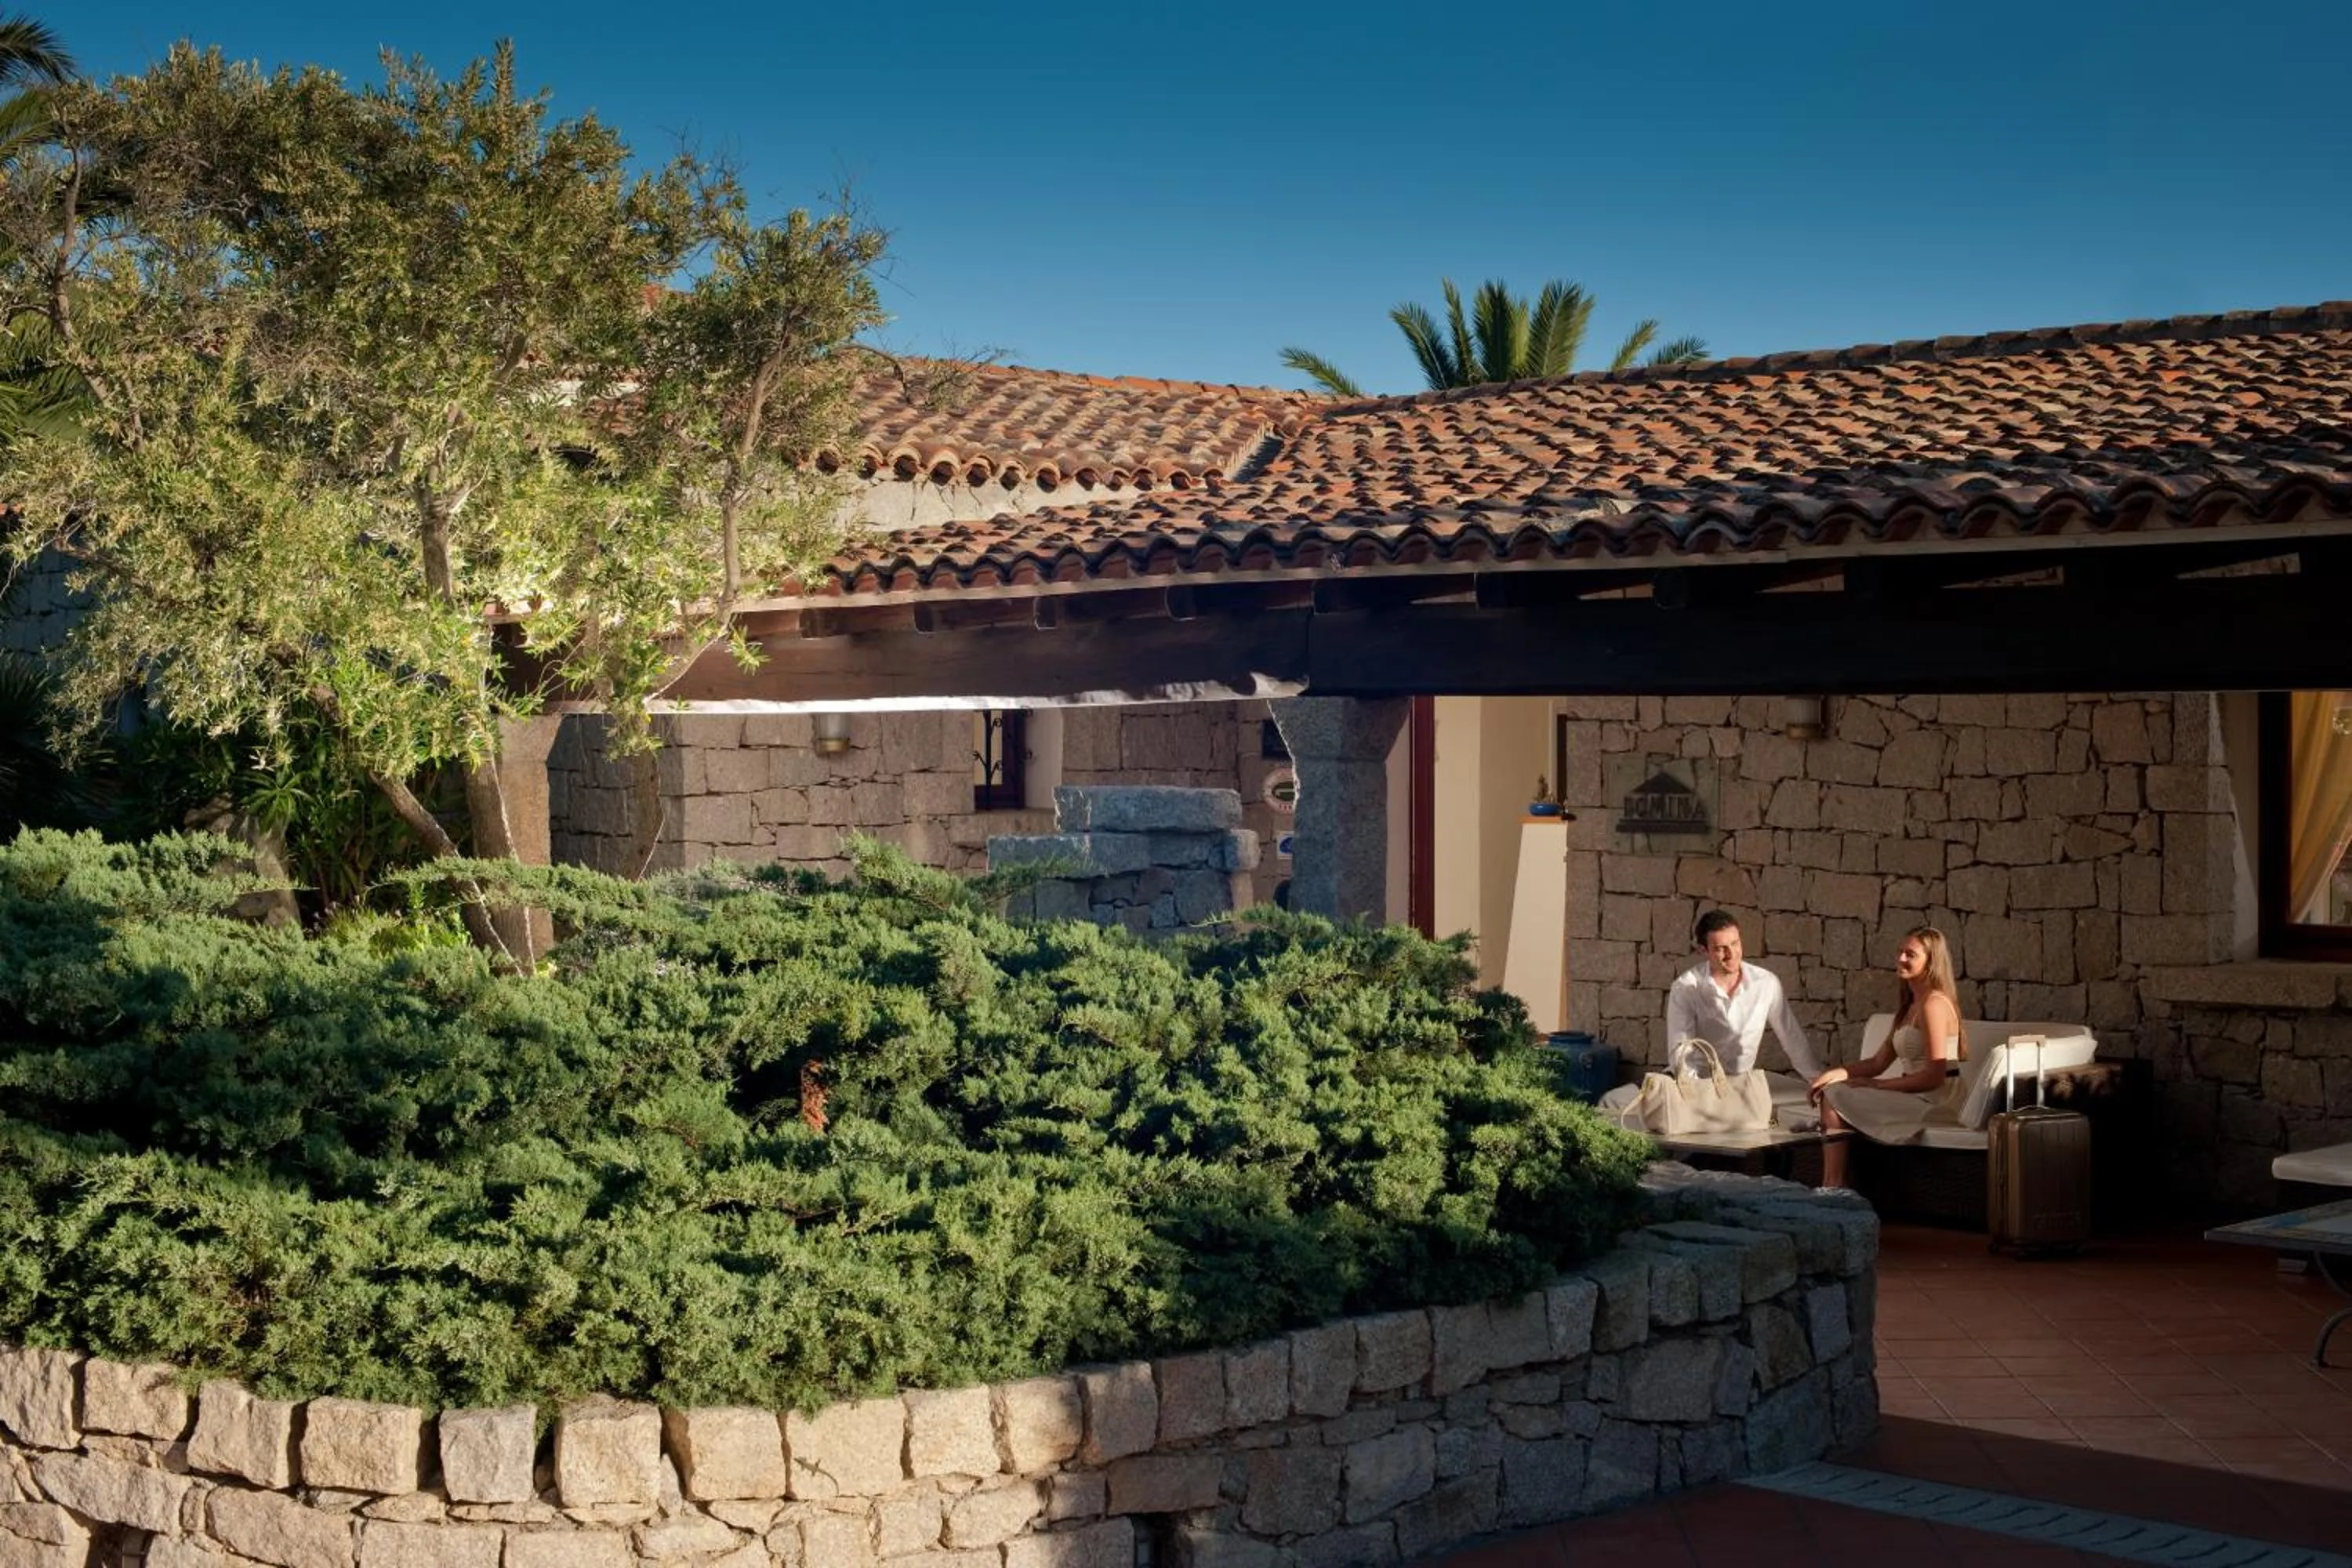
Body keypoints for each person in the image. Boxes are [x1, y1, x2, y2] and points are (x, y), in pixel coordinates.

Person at [1809, 926, 1968, 1188]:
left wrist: (1878, 1085)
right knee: (1833, 1089)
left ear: (1931, 963)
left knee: (1835, 1096)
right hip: (1915, 1094)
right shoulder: (1911, 1007)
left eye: (1911, 954)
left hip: (1938, 1101)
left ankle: (1833, 1185)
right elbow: (1877, 1063)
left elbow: (1935, 1075)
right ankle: (1836, 1183)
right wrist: (1832, 1074)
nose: (1901, 959)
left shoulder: (1934, 1005)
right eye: (1900, 952)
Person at [1664, 910, 1824, 1080]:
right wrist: (1698, 1096)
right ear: (1704, 951)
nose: (1731, 954)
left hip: (1743, 1084)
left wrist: (1820, 1083)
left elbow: (1792, 1038)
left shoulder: (1766, 983)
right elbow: (1681, 1053)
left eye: (1735, 943)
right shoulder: (1685, 988)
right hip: (1698, 1082)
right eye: (1721, 949)